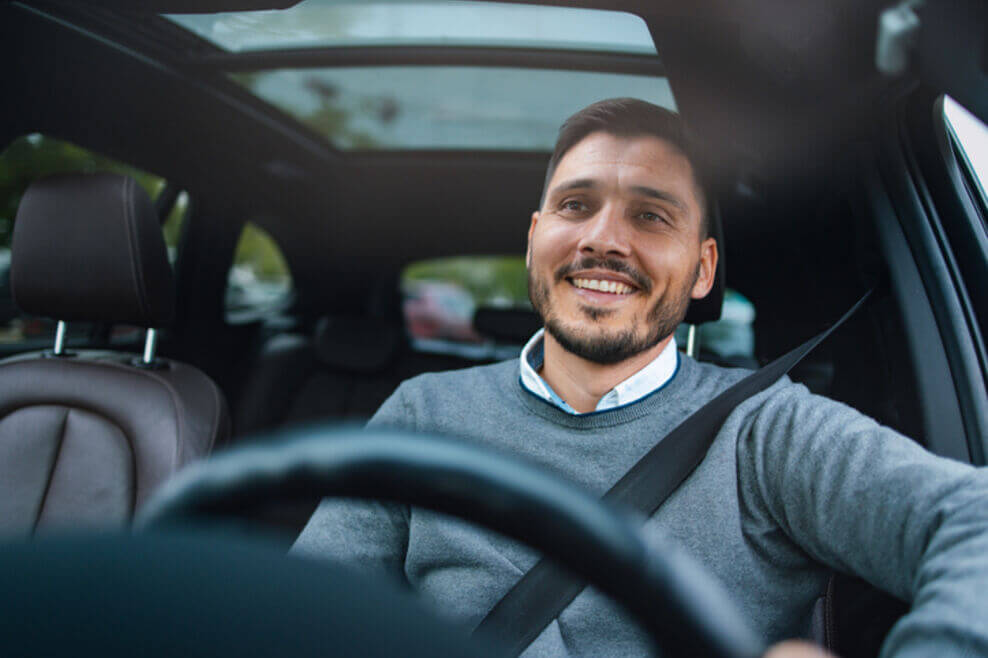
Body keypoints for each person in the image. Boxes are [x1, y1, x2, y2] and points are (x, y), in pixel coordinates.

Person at [292, 98, 988, 657]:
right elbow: (302, 613)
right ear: (535, 236)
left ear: (703, 270)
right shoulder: (423, 414)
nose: (604, 239)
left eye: (651, 215)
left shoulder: (767, 430)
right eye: (575, 206)